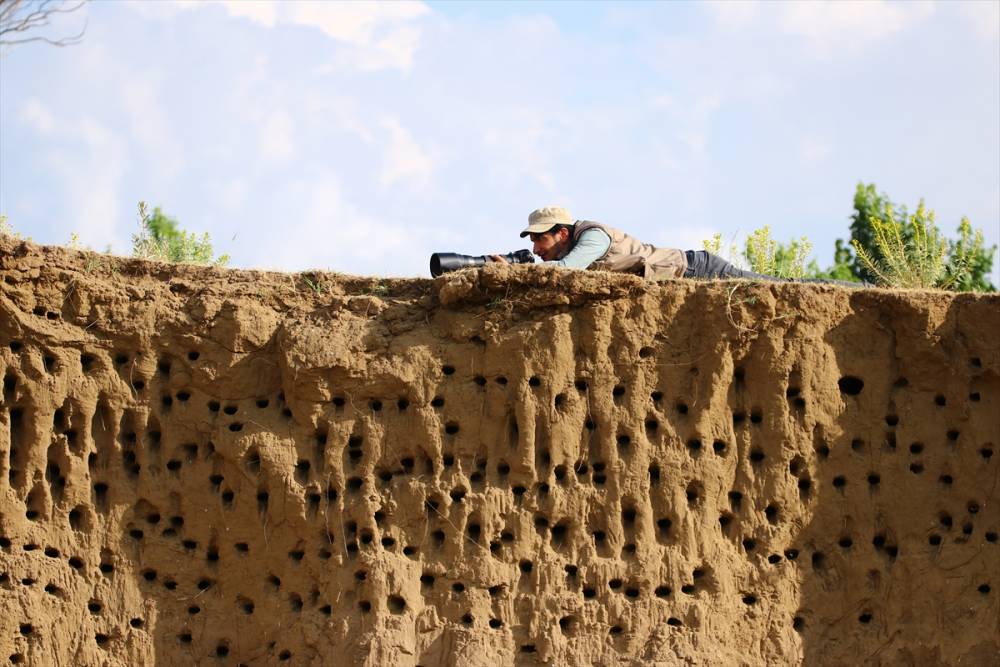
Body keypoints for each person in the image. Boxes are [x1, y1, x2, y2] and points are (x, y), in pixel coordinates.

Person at [491, 206, 861, 285]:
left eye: (540, 238)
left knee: (781, 288)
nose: (537, 248)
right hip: (688, 272)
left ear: (563, 233)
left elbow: (569, 272)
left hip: (698, 269)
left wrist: (517, 272)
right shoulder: (575, 244)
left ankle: (861, 290)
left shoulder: (592, 235)